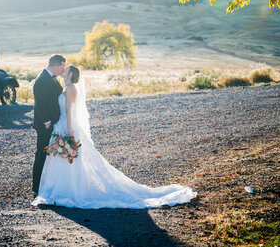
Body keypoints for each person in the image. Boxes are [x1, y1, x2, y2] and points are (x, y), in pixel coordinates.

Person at [32, 64, 197, 209]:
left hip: (67, 126)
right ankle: (63, 187)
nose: (63, 69)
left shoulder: (71, 89)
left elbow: (69, 111)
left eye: (66, 69)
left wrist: (69, 129)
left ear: (70, 74)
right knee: (63, 158)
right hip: (60, 125)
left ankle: (67, 189)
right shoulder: (65, 87)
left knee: (69, 158)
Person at [32, 54, 66, 197]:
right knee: (42, 153)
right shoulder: (41, 80)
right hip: (45, 124)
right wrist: (46, 121)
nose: (63, 69)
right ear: (56, 65)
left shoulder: (52, 79)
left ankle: (48, 183)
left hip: (54, 123)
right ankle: (36, 187)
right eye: (62, 66)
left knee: (50, 153)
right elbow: (39, 103)